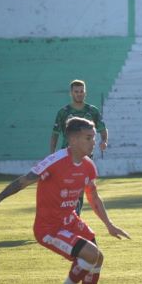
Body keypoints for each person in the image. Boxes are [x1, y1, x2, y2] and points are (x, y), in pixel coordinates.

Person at [0, 117, 130, 284]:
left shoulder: (88, 165)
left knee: (98, 257)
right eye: (89, 138)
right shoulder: (55, 161)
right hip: (48, 228)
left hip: (70, 221)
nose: (94, 141)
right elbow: (24, 181)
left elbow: (93, 196)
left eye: (93, 137)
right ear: (73, 140)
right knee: (91, 254)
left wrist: (109, 225)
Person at [50, 79, 108, 215]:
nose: (79, 94)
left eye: (81, 91)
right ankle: (63, 215)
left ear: (85, 92)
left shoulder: (92, 111)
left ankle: (75, 215)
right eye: (76, 91)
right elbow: (55, 134)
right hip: (66, 155)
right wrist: (52, 154)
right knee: (65, 186)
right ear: (71, 93)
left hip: (85, 156)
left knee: (80, 186)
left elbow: (103, 129)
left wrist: (104, 141)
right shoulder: (63, 112)